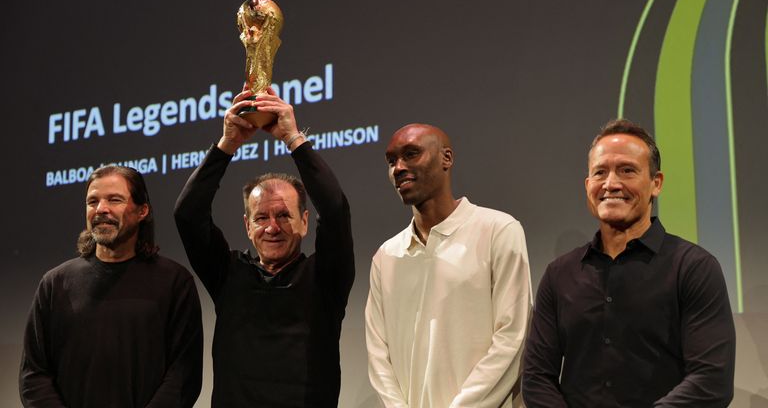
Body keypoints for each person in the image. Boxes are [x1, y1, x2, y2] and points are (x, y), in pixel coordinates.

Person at [522, 119, 736, 407]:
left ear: (655, 183)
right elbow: (537, 378)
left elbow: (712, 380)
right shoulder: (558, 275)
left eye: (627, 170)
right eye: (600, 172)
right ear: (588, 186)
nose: (611, 183)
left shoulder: (694, 268)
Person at [174, 85, 354, 407]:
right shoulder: (227, 273)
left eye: (284, 215)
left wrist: (293, 139)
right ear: (247, 226)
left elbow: (335, 209)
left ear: (304, 221)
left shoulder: (326, 276)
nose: (272, 227)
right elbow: (188, 215)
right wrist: (227, 144)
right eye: (261, 218)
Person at [365, 123, 532, 407]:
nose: (398, 168)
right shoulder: (386, 256)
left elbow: (513, 338)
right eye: (392, 161)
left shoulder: (498, 230)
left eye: (411, 154)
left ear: (447, 158)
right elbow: (378, 353)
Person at [19, 165, 203, 408]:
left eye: (114, 200)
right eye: (92, 201)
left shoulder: (175, 283)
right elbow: (34, 374)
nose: (101, 209)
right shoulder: (55, 284)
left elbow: (183, 375)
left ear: (142, 211)